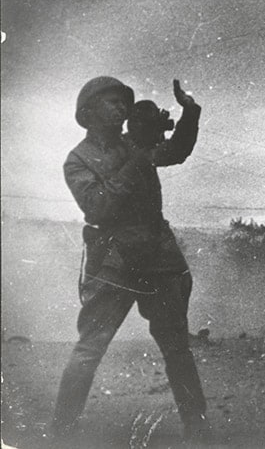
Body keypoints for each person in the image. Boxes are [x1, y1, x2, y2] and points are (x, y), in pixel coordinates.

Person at [50, 76, 211, 443]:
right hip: (114, 260)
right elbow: (99, 206)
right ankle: (61, 432)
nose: (121, 109)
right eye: (112, 103)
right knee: (90, 348)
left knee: (176, 347)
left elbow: (177, 152)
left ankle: (198, 429)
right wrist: (138, 158)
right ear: (88, 113)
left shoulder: (132, 143)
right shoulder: (78, 160)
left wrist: (190, 112)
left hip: (157, 257)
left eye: (124, 103)